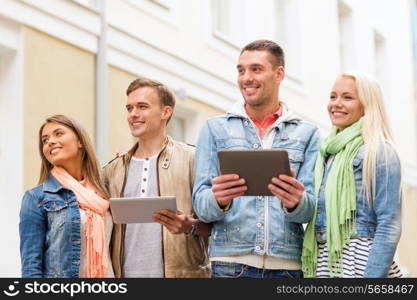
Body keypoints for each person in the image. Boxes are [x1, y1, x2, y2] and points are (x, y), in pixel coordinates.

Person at [192, 40, 320, 278]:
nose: (245, 78)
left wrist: (295, 202)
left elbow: (310, 209)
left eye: (256, 69)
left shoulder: (307, 133)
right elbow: (201, 204)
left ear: (278, 74)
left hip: (287, 267)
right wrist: (219, 200)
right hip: (230, 266)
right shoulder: (214, 129)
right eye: (241, 70)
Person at [103, 78, 211, 278]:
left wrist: (190, 226)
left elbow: (219, 225)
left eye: (142, 107)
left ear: (166, 112)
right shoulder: (112, 170)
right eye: (129, 108)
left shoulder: (193, 159)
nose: (133, 114)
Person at [302, 71, 403, 278]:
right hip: (323, 262)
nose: (336, 103)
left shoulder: (379, 151)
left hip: (359, 264)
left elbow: (389, 224)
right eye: (333, 96)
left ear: (367, 105)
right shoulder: (325, 152)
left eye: (347, 97)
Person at [19, 114, 113, 278]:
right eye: (45, 139)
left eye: (58, 133)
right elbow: (31, 269)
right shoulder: (36, 198)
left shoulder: (105, 192)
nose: (50, 141)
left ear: (80, 141)